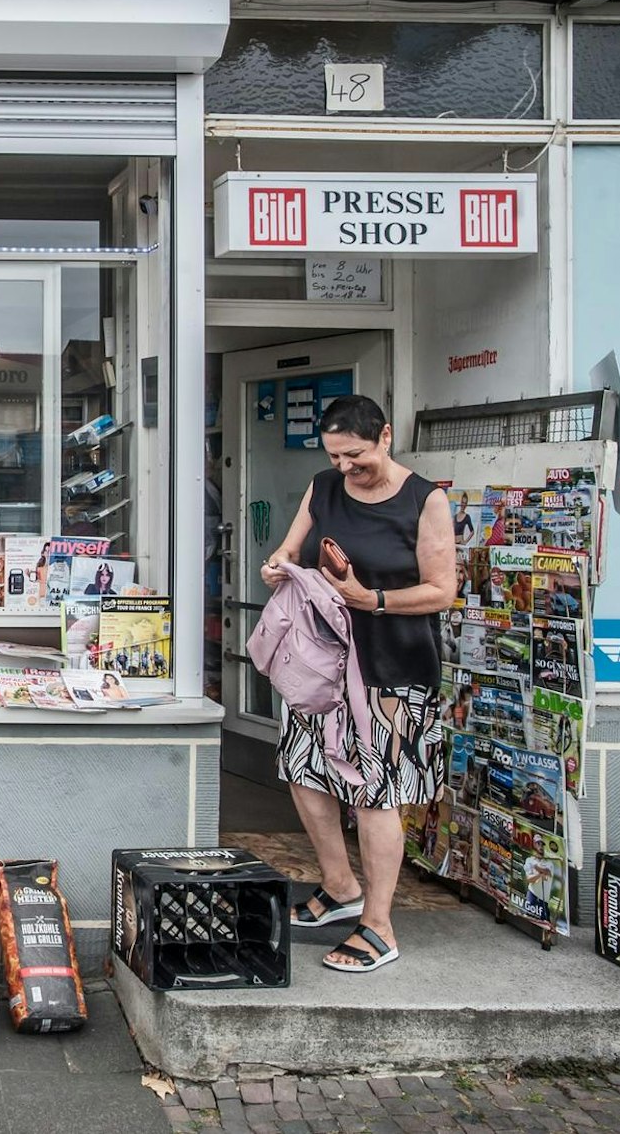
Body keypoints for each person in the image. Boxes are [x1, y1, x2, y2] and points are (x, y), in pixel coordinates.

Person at [260, 394, 456, 974]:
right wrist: (276, 565)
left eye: (356, 456)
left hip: (391, 669)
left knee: (375, 794)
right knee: (303, 773)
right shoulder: (324, 487)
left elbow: (441, 590)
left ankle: (379, 925)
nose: (346, 467)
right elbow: (289, 547)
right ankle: (340, 886)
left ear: (385, 437)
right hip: (322, 665)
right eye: (335, 457)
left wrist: (373, 600)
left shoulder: (425, 500)